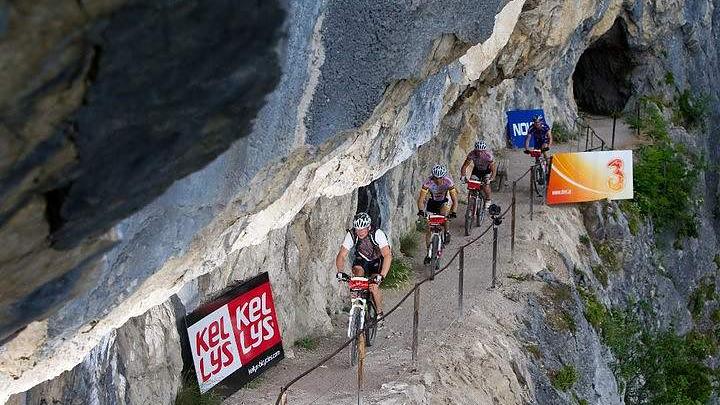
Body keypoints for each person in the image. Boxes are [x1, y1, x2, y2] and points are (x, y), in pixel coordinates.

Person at [335, 212, 392, 323]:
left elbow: (387, 255)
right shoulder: (352, 234)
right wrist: (340, 271)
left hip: (377, 260)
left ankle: (379, 314)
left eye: (362, 229)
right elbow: (341, 254)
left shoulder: (377, 234)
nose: (359, 232)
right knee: (357, 277)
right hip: (362, 259)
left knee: (373, 287)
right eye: (357, 229)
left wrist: (382, 275)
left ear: (368, 227)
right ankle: (357, 307)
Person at [416, 164, 458, 264]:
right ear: (433, 177)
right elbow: (421, 200)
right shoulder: (428, 183)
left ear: (444, 177)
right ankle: (428, 253)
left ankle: (447, 232)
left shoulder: (448, 182)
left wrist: (453, 212)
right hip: (432, 202)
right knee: (429, 228)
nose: (438, 181)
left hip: (443, 202)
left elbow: (454, 200)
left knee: (444, 215)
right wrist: (421, 211)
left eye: (440, 178)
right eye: (435, 178)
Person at [460, 139, 496, 210]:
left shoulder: (488, 156)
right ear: (475, 150)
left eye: (481, 151)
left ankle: (488, 199)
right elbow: (464, 166)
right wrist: (463, 176)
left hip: (486, 171)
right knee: (472, 185)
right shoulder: (472, 154)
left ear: (484, 151)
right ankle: (471, 201)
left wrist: (491, 179)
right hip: (477, 170)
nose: (479, 153)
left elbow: (493, 170)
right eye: (478, 151)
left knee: (486, 185)